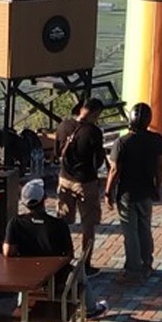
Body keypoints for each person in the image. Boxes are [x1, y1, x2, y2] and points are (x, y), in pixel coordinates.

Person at [2, 178, 106, 319]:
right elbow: (69, 255)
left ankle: (23, 307)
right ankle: (91, 309)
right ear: (44, 199)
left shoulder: (15, 223)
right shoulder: (58, 225)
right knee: (79, 273)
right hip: (56, 279)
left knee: (27, 279)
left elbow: (8, 252)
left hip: (26, 277)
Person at [105, 102, 162, 279]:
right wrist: (158, 187)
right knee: (144, 228)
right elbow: (159, 168)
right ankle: (147, 263)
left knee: (130, 231)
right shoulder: (157, 140)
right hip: (147, 190)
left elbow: (115, 170)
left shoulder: (122, 142)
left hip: (127, 193)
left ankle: (133, 269)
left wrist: (108, 192)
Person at [54, 97, 108, 272]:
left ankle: (61, 260)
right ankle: (85, 264)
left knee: (63, 223)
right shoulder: (94, 132)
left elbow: (56, 152)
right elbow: (98, 162)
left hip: (64, 179)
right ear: (95, 113)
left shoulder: (63, 126)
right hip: (85, 182)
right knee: (88, 225)